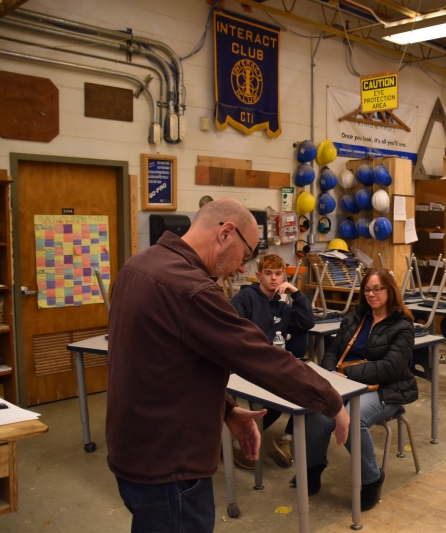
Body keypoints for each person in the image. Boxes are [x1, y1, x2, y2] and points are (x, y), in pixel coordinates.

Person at [106, 198, 350, 533]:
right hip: (169, 465)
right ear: (225, 233)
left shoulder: (137, 266)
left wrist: (226, 410)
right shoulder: (190, 289)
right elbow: (258, 356)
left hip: (134, 452)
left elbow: (162, 366)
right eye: (246, 255)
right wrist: (331, 399)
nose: (241, 268)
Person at [305, 267, 416, 511]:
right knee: (315, 415)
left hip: (387, 389)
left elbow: (391, 368)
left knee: (354, 419)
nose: (371, 294)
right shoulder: (355, 318)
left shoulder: (402, 326)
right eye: (367, 289)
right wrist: (330, 372)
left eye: (378, 289)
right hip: (345, 385)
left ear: (390, 291)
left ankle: (371, 478)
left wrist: (345, 374)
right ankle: (313, 468)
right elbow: (333, 351)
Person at [231, 254, 315, 468]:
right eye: (268, 274)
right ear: (259, 276)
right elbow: (234, 333)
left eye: (279, 274)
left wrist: (295, 293)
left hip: (277, 367)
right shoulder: (246, 298)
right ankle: (239, 442)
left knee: (311, 391)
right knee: (273, 406)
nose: (274, 279)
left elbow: (307, 322)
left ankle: (287, 438)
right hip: (249, 367)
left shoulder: (283, 307)